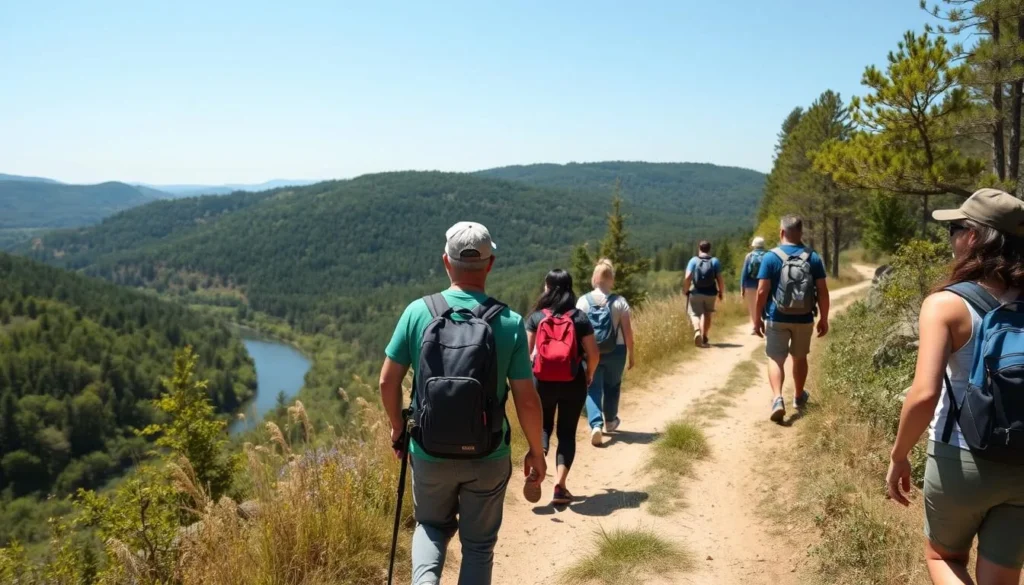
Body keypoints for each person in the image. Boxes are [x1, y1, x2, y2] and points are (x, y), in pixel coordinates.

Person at [379, 221, 547, 585]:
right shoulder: (511, 322)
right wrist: (536, 450)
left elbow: (386, 381)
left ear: (446, 262)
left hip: (428, 452)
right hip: (487, 456)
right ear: (490, 264)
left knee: (430, 526)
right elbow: (527, 401)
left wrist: (398, 430)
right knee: (478, 546)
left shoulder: (417, 313)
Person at [887, 189, 1024, 585]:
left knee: (942, 556)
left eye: (955, 228)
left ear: (975, 237)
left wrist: (899, 455)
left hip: (960, 458)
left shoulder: (946, 305)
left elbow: (924, 394)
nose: (951, 237)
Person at [525, 269, 600, 506]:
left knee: (544, 427)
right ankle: (559, 486)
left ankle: (538, 466)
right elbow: (594, 354)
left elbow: (526, 355)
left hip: (542, 382)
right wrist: (588, 373)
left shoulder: (537, 317)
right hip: (573, 380)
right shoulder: (579, 318)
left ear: (548, 288)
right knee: (567, 433)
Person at [754, 215, 829, 423]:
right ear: (800, 233)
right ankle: (798, 396)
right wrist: (824, 318)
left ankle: (778, 398)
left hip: (776, 316)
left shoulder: (770, 257)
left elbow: (761, 291)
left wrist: (757, 318)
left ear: (781, 233)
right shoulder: (812, 257)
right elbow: (822, 291)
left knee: (776, 358)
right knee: (800, 357)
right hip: (804, 318)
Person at [577, 259, 635, 446]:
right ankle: (610, 421)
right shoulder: (620, 302)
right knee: (613, 386)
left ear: (595, 278)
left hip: (590, 351)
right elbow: (628, 333)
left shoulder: (583, 302)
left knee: (592, 387)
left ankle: (596, 424)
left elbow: (576, 331)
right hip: (616, 351)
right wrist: (631, 355)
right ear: (611, 279)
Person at [684, 241, 725, 347]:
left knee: (694, 313)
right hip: (711, 293)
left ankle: (697, 330)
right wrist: (721, 292)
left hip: (696, 292)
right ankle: (704, 335)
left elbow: (688, 277)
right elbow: (720, 279)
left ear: (699, 248)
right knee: (707, 314)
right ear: (709, 249)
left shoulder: (693, 260)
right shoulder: (715, 261)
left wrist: (686, 289)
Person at [741, 237, 767, 334]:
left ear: (753, 245)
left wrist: (742, 287)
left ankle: (755, 327)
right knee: (765, 305)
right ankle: (766, 324)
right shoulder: (768, 255)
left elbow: (744, 273)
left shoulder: (749, 256)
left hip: (750, 285)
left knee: (753, 307)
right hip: (764, 284)